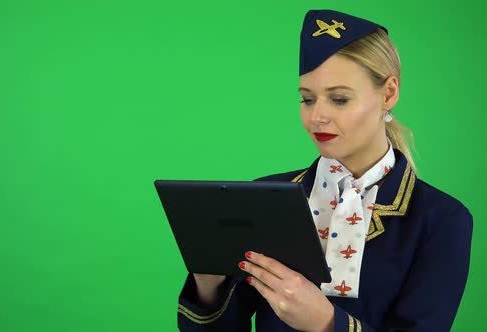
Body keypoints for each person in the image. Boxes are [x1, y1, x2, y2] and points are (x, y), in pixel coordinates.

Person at [176, 9, 473, 332]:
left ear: (388, 93)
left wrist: (328, 323)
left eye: (339, 99)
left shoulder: (441, 220)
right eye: (307, 99)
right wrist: (208, 280)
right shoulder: (265, 197)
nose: (317, 117)